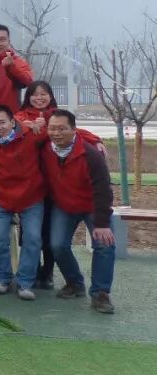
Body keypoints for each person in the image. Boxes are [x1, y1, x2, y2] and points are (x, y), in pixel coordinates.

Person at [42, 110, 116, 314]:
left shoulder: (91, 154)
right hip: (64, 205)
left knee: (105, 244)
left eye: (62, 129)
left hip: (92, 206)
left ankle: (100, 293)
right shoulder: (45, 149)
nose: (56, 133)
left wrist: (102, 224)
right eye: (52, 128)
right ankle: (74, 283)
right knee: (57, 245)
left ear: (74, 130)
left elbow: (103, 189)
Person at [0, 105, 47, 299]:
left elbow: (65, 132)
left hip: (31, 198)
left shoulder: (31, 135)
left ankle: (25, 282)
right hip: (0, 198)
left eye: (2, 122)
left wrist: (96, 140)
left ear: (12, 122)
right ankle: (2, 278)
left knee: (32, 238)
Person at [17, 80, 59, 289]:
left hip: (53, 181)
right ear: (28, 97)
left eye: (43, 94)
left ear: (50, 96)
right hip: (29, 181)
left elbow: (75, 132)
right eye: (35, 94)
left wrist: (95, 139)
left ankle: (48, 271)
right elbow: (14, 128)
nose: (39, 98)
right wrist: (28, 127)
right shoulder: (21, 116)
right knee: (30, 231)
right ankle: (31, 270)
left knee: (49, 229)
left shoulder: (57, 116)